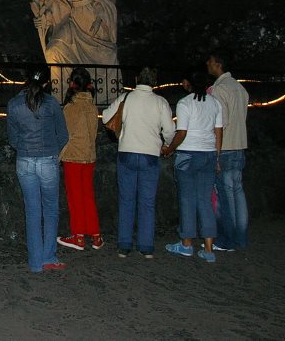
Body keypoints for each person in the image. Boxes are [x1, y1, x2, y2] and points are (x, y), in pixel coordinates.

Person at [29, 0, 118, 103]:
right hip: (72, 18)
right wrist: (45, 19)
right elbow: (56, 5)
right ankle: (60, 94)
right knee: (53, 51)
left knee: (102, 56)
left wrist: (100, 16)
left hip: (91, 17)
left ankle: (106, 95)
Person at [101, 66, 174, 258]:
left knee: (126, 200)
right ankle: (146, 246)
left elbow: (106, 117)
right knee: (147, 202)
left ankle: (124, 245)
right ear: (155, 82)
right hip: (150, 154)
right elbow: (169, 130)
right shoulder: (161, 102)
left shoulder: (126, 98)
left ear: (136, 79)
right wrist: (166, 145)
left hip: (126, 152)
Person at [6, 65, 70, 272]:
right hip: (48, 160)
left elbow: (13, 138)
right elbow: (63, 135)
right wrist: (52, 150)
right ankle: (48, 257)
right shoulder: (51, 103)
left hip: (24, 160)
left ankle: (35, 263)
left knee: (32, 211)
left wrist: (25, 148)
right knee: (50, 210)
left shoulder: (14, 104)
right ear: (46, 83)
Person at [163, 71, 224, 263]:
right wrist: (217, 156)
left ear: (188, 83)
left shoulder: (184, 103)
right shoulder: (215, 103)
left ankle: (186, 244)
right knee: (205, 200)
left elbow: (181, 133)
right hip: (208, 154)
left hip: (188, 155)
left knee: (187, 200)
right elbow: (218, 131)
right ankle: (208, 248)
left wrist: (169, 149)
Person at [57, 68, 104, 251]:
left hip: (74, 156)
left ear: (72, 84)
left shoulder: (70, 108)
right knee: (88, 195)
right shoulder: (93, 107)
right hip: (89, 155)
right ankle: (96, 235)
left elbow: (65, 134)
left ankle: (77, 236)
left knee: (75, 197)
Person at [207, 53, 250, 251]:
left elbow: (219, 125)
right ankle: (240, 237)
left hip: (224, 148)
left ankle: (227, 239)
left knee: (224, 196)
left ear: (218, 64)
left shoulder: (219, 90)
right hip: (239, 146)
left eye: (210, 61)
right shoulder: (240, 88)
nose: (208, 65)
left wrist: (215, 154)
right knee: (238, 193)